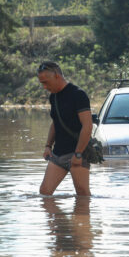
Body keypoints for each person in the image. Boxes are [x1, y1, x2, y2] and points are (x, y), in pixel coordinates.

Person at [37, 61, 93, 196]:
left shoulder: (78, 94)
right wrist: (48, 146)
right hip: (58, 153)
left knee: (82, 194)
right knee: (45, 192)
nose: (44, 87)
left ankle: (82, 213)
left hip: (78, 152)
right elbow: (55, 122)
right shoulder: (53, 97)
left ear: (57, 76)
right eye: (42, 83)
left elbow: (87, 126)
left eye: (46, 82)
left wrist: (78, 154)